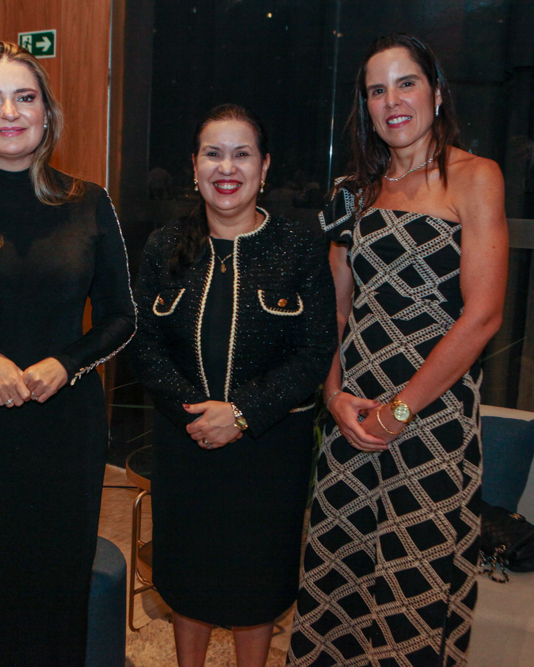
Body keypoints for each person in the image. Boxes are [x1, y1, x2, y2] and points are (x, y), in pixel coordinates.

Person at [289, 34, 507, 667]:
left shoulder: (475, 177)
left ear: (436, 94)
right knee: (339, 585)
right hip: (353, 420)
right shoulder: (350, 192)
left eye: (405, 83)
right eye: (376, 90)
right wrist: (334, 398)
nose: (393, 101)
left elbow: (483, 315)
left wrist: (400, 412)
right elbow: (335, 308)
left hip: (431, 427)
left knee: (412, 595)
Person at [0, 41, 135, 666]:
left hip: (67, 430)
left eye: (25, 96)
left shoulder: (87, 201)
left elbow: (124, 317)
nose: (10, 111)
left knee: (60, 592)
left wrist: (65, 363)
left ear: (47, 113)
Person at [129, 104, 337, 667]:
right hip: (185, 441)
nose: (228, 167)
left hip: (269, 449)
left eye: (242, 154)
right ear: (194, 166)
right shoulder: (163, 246)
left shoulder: (298, 246)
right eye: (213, 153)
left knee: (258, 583)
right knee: (187, 575)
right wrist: (195, 415)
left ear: (264, 167)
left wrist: (242, 412)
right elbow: (144, 345)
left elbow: (315, 352)